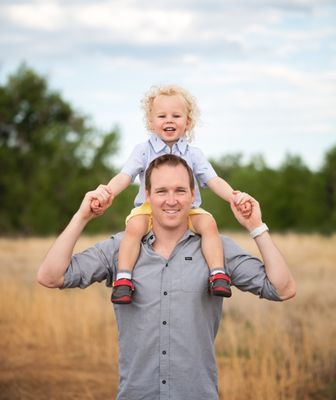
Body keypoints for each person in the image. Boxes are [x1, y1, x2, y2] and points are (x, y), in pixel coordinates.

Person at [37, 154, 296, 400]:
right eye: (161, 191)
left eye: (180, 190)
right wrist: (82, 216)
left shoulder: (216, 248)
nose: (171, 200)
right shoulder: (120, 248)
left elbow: (282, 289)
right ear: (147, 195)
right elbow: (51, 276)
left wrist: (256, 227)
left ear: (193, 195)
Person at [90, 84, 252, 304]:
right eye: (162, 115)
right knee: (134, 228)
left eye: (176, 115)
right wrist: (106, 193)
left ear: (188, 122)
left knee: (209, 225)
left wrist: (235, 196)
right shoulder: (143, 150)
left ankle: (217, 274)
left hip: (188, 209)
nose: (169, 120)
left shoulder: (194, 154)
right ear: (151, 122)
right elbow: (125, 176)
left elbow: (213, 180)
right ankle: (124, 279)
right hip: (150, 208)